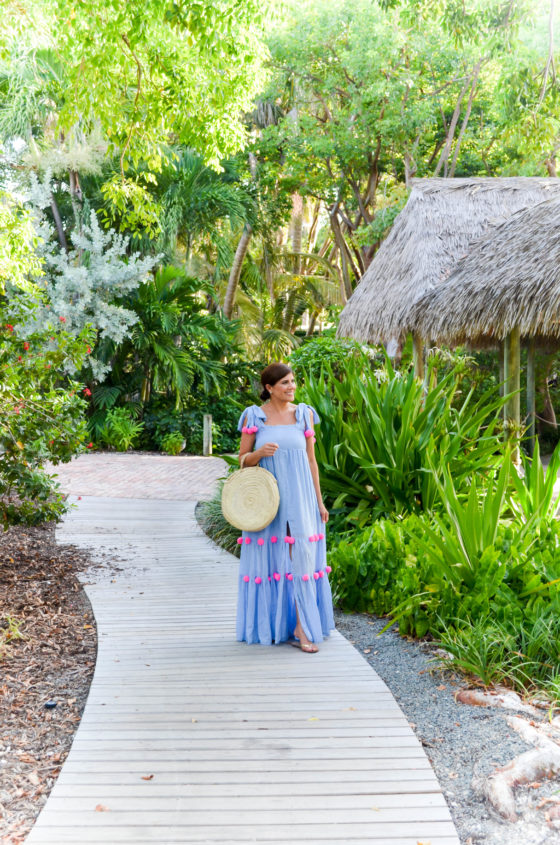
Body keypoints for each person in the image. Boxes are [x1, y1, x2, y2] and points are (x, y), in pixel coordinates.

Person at [236, 362, 335, 652]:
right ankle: (274, 626)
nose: (292, 387)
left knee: (303, 559)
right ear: (269, 388)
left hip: (302, 497)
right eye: (285, 384)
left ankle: (302, 629)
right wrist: (258, 453)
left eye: (293, 382)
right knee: (272, 560)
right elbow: (241, 460)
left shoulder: (304, 415)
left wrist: (319, 501)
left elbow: (312, 461)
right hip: (268, 500)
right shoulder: (255, 416)